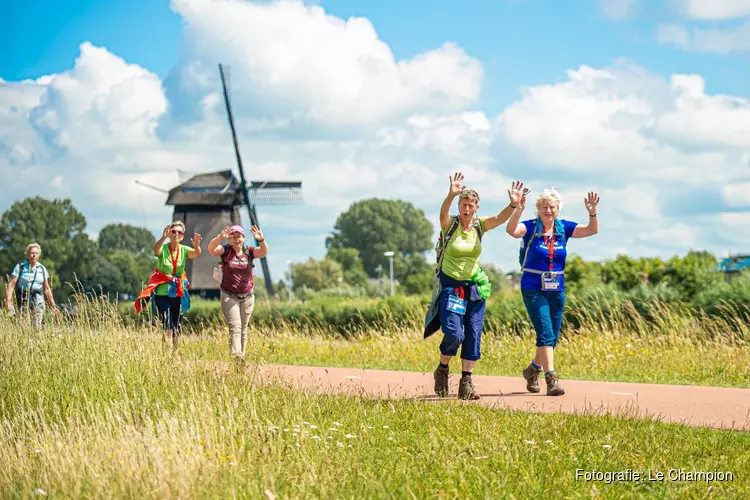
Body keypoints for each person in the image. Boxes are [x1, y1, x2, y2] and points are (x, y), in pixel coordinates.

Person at [428, 172, 526, 400]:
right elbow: (442, 212)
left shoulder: (479, 226)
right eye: (464, 204)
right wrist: (450, 194)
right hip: (452, 286)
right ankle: (442, 369)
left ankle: (466, 382)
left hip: (475, 286)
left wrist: (513, 205)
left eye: (471, 205)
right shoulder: (449, 225)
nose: (467, 209)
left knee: (473, 333)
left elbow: (501, 219)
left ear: (476, 208)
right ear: (459, 205)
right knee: (454, 333)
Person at [505, 188, 600, 396]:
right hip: (533, 287)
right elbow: (511, 230)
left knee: (553, 337)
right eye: (544, 207)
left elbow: (592, 230)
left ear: (557, 209)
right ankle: (551, 378)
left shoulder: (562, 228)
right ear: (538, 209)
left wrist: (592, 212)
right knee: (545, 333)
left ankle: (533, 369)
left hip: (556, 287)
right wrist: (517, 209)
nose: (548, 210)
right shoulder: (531, 227)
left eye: (552, 207)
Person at [135, 221, 202, 352]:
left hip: (177, 291)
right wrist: (162, 238)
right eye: (173, 231)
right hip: (162, 293)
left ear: (182, 236)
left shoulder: (184, 249)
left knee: (176, 324)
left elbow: (196, 253)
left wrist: (197, 246)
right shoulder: (164, 248)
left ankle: (174, 352)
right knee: (168, 324)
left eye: (179, 232)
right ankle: (166, 351)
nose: (176, 234)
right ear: (169, 233)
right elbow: (156, 251)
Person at [207, 224, 268, 364]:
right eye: (233, 236)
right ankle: (236, 355)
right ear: (229, 238)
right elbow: (211, 249)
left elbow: (263, 252)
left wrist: (261, 239)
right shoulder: (225, 250)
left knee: (243, 328)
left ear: (243, 237)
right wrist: (219, 237)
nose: (236, 239)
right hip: (229, 295)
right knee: (235, 325)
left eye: (239, 236)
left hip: (247, 295)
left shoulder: (249, 251)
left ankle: (242, 357)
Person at [5, 243, 58, 328]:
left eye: (36, 253)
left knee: (36, 326)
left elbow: (47, 288)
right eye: (32, 253)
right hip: (23, 300)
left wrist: (53, 306)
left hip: (38, 300)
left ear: (39, 255)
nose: (34, 255)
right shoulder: (20, 267)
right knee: (23, 326)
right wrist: (8, 301)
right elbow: (11, 284)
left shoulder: (42, 269)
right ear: (27, 254)